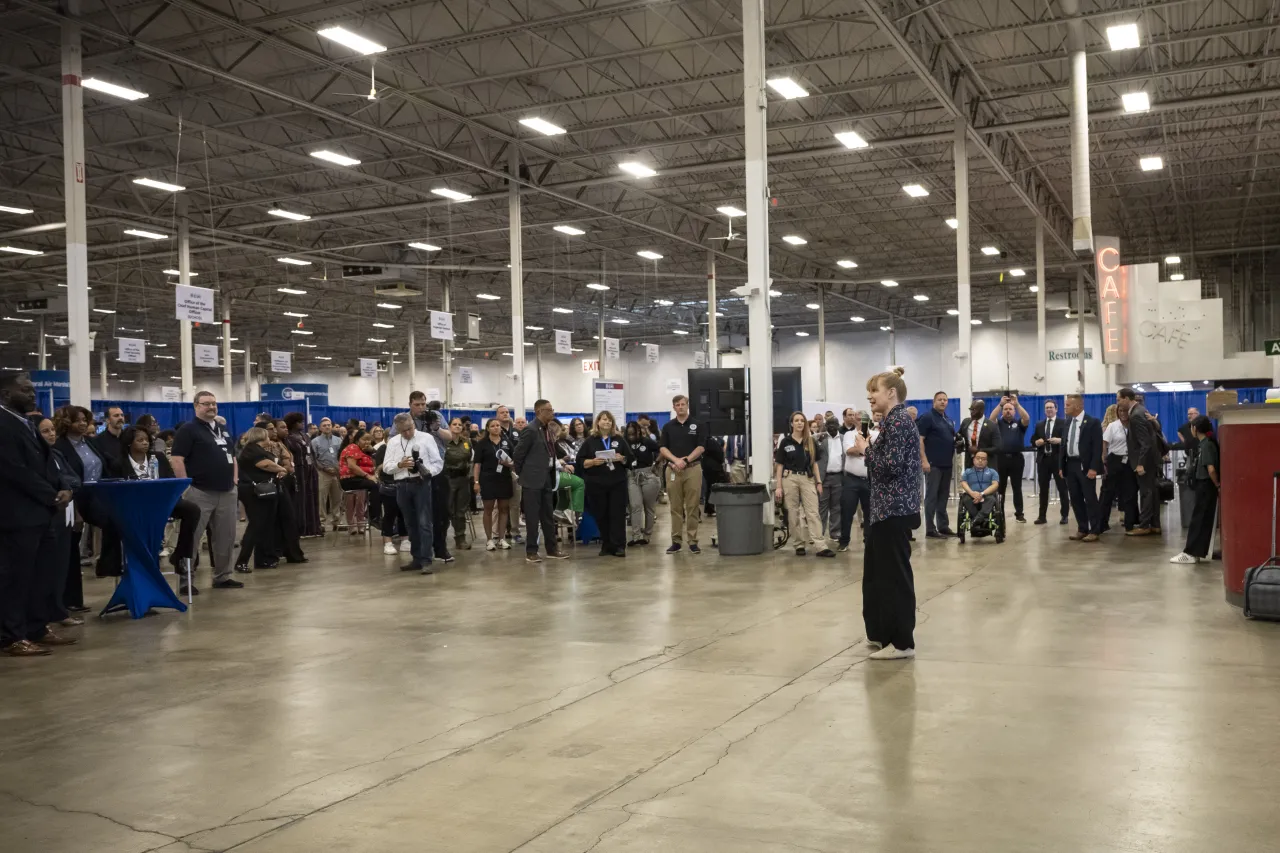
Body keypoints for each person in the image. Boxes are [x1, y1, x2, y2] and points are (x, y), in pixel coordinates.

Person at [0, 373, 76, 656]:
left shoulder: (28, 423)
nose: (32, 394)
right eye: (25, 390)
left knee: (40, 575)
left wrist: (64, 487)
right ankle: (12, 636)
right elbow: (14, 470)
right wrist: (51, 495)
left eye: (32, 390)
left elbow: (50, 463)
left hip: (41, 514)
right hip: (17, 516)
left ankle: (36, 627)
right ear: (7, 395)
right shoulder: (3, 424)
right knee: (16, 578)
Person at [856, 367, 919, 660]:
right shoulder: (892, 422)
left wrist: (866, 450)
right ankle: (882, 633)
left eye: (875, 391)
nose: (870, 397)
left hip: (893, 510)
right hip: (884, 511)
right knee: (878, 575)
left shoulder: (898, 423)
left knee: (894, 577)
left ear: (891, 393)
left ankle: (901, 641)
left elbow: (890, 466)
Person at [171, 391, 243, 592]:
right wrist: (185, 485)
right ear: (196, 406)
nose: (211, 407)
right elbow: (177, 459)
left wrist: (235, 480)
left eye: (214, 403)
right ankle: (186, 580)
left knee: (226, 537)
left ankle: (223, 576)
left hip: (227, 491)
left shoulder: (223, 429)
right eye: (206, 404)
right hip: (199, 491)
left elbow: (233, 457)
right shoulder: (188, 430)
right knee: (192, 538)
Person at [120, 426, 204, 576]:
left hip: (162, 501)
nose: (145, 443)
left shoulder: (158, 457)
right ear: (129, 443)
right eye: (140, 440)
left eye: (147, 440)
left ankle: (180, 554)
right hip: (138, 505)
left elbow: (171, 480)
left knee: (192, 509)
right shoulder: (121, 462)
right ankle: (145, 562)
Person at [53, 405, 122, 578]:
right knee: (71, 545)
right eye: (78, 421)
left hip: (97, 495)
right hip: (74, 498)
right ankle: (71, 597)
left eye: (85, 420)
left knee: (117, 522)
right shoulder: (60, 446)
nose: (83, 424)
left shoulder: (91, 442)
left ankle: (107, 566)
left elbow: (107, 463)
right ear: (66, 422)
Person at [383, 412, 444, 574]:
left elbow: (438, 463)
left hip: (421, 484)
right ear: (397, 429)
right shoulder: (393, 442)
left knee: (424, 523)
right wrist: (400, 465)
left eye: (410, 429)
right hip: (402, 485)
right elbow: (386, 466)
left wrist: (425, 471)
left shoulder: (426, 438)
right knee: (410, 523)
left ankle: (426, 560)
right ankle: (416, 558)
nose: (408, 433)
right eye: (403, 431)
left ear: (413, 424)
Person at [512, 399, 570, 564]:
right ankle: (531, 551)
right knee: (532, 517)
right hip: (532, 480)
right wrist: (522, 474)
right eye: (549, 410)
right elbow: (518, 454)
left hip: (546, 478)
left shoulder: (547, 430)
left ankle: (552, 549)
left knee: (547, 516)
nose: (552, 413)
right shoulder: (530, 430)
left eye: (552, 409)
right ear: (539, 412)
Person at [774, 411, 834, 557]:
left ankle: (820, 545)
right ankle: (799, 544)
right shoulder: (785, 442)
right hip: (790, 478)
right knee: (793, 513)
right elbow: (780, 465)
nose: (800, 423)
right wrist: (779, 486)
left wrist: (818, 481)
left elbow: (814, 464)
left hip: (807, 478)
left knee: (813, 512)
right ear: (791, 424)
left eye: (802, 420)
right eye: (797, 420)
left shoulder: (810, 441)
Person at [576, 410, 632, 557]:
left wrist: (622, 458)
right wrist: (593, 462)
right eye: (604, 419)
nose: (606, 422)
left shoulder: (619, 440)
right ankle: (606, 544)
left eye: (609, 420)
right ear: (598, 422)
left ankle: (619, 545)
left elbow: (631, 459)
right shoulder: (590, 441)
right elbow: (580, 461)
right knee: (601, 514)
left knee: (617, 514)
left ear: (613, 423)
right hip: (596, 484)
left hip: (617, 483)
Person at [233, 427, 288, 572]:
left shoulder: (255, 449)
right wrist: (282, 469)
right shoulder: (252, 450)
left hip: (263, 491)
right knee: (256, 525)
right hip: (254, 492)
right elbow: (265, 464)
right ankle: (242, 561)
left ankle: (263, 559)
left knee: (265, 525)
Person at [659, 394, 707, 554]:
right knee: (675, 507)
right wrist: (675, 461)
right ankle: (676, 541)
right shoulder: (668, 427)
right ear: (674, 407)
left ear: (687, 405)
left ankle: (693, 541)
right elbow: (663, 448)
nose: (680, 407)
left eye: (683, 404)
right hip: (672, 469)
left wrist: (685, 460)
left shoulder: (698, 425)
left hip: (692, 468)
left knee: (693, 506)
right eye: (677, 405)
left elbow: (701, 447)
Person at [411, 394, 454, 564]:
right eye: (417, 405)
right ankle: (421, 551)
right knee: (419, 513)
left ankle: (440, 548)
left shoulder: (436, 416)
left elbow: (449, 437)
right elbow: (394, 438)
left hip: (438, 469)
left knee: (442, 511)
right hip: (415, 471)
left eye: (423, 404)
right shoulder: (406, 419)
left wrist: (436, 429)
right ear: (410, 405)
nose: (422, 408)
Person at [1171, 415, 1220, 564]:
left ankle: (1191, 553)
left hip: (1206, 486)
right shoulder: (1205, 443)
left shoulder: (1206, 445)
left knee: (1199, 520)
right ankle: (1196, 552)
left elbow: (1211, 469)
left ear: (1195, 429)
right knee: (1201, 519)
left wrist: (1217, 484)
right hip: (1204, 486)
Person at [1060, 394, 1104, 542]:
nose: (1065, 407)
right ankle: (1082, 528)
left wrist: (1094, 468)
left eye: (1067, 405)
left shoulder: (1092, 422)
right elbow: (1063, 445)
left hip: (1085, 466)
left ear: (1078, 406)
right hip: (1070, 464)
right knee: (1076, 498)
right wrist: (1061, 466)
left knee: (1090, 498)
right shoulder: (1067, 423)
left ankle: (1095, 530)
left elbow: (1097, 447)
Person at [1122, 388, 1163, 536]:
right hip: (1151, 460)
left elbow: (1145, 442)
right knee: (1152, 492)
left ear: (1127, 399)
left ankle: (1145, 525)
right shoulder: (1142, 411)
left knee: (1146, 493)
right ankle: (1155, 524)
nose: (1118, 403)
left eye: (1119, 399)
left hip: (1145, 461)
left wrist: (1140, 463)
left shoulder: (1136, 415)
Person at [917, 391, 957, 538]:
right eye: (940, 399)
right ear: (934, 402)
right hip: (933, 464)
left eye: (945, 400)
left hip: (947, 463)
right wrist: (924, 460)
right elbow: (920, 440)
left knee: (943, 496)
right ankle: (930, 528)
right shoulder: (927, 417)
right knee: (932, 497)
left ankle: (943, 526)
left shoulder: (947, 419)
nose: (943, 402)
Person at [472, 418, 513, 550]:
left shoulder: (507, 442)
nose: (496, 428)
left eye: (498, 426)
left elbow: (514, 462)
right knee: (488, 509)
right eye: (493, 426)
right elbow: (477, 464)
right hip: (488, 479)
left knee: (504, 509)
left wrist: (508, 463)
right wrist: (476, 482)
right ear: (488, 428)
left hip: (504, 478)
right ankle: (489, 539)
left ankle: (501, 538)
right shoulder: (482, 444)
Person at [1098, 400, 1139, 534]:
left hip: (1129, 462)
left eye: (1125, 411)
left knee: (1130, 493)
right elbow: (1104, 443)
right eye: (1120, 411)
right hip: (1114, 460)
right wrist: (1104, 461)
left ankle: (1129, 524)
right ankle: (1102, 523)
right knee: (1107, 493)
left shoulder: (1134, 425)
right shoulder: (1112, 426)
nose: (1123, 413)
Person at [989, 395, 1031, 522]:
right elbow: (991, 419)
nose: (1008, 411)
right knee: (1000, 488)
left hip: (1016, 459)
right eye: (1005, 409)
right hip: (1000, 459)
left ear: (1014, 411)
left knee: (1017, 487)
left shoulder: (1019, 424)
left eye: (1010, 409)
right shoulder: (998, 424)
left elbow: (1026, 418)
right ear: (1002, 411)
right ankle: (999, 513)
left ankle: (1019, 514)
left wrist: (1017, 404)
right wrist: (1000, 404)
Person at [283, 412, 322, 537]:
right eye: (300, 422)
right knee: (300, 499)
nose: (302, 424)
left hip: (310, 470)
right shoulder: (288, 438)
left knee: (312, 498)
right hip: (298, 471)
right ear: (293, 423)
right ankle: (300, 528)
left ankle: (313, 527)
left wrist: (314, 468)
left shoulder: (305, 436)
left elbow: (312, 454)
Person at [838, 409, 873, 551]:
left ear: (868, 421)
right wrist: (865, 449)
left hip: (869, 479)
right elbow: (849, 451)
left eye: (863, 420)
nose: (860, 422)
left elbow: (876, 451)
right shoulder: (849, 434)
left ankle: (869, 540)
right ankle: (844, 541)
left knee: (870, 512)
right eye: (858, 419)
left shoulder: (875, 434)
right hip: (851, 480)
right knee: (847, 511)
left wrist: (860, 449)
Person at [1031, 400, 1069, 525]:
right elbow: (1033, 439)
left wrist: (1060, 440)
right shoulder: (1039, 424)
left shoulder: (1063, 423)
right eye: (1047, 408)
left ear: (1056, 409)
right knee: (1043, 489)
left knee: (1062, 488)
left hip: (1058, 460)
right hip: (1043, 460)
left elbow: (1069, 439)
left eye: (1051, 407)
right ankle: (1042, 516)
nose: (1049, 409)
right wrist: (1036, 442)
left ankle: (1064, 515)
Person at [372, 429, 409, 556]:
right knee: (389, 514)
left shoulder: (403, 448)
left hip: (402, 484)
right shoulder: (383, 449)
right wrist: (397, 464)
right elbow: (381, 468)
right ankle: (387, 541)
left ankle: (405, 539)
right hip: (388, 487)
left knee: (403, 514)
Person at [624, 420, 659, 546]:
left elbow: (662, 449)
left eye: (634, 433)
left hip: (648, 475)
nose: (631, 436)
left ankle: (647, 535)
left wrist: (657, 463)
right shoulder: (625, 443)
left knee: (649, 507)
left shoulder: (647, 442)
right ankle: (636, 535)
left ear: (639, 431)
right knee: (635, 505)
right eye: (629, 434)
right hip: (632, 476)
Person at [443, 418, 474, 551]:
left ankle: (460, 539)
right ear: (449, 427)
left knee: (461, 510)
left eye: (459, 425)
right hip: (448, 479)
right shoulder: (443, 442)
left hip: (463, 479)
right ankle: (441, 540)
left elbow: (470, 459)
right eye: (454, 424)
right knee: (446, 510)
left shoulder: (467, 442)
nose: (457, 427)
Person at [339, 429, 379, 535]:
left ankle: (370, 516)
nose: (367, 442)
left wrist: (372, 451)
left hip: (360, 479)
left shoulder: (363, 450)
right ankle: (373, 516)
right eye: (364, 439)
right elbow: (352, 466)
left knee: (378, 487)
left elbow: (374, 464)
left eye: (369, 440)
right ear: (357, 439)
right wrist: (368, 476)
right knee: (375, 486)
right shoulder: (353, 447)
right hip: (349, 479)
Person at [311, 418, 345, 532]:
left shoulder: (338, 440)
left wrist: (339, 469)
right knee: (322, 498)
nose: (327, 427)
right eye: (324, 425)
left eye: (329, 425)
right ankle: (321, 523)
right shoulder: (315, 441)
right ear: (320, 428)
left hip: (336, 473)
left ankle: (337, 521)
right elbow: (313, 459)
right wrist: (324, 468)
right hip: (322, 473)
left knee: (337, 498)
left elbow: (342, 456)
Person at [816, 418, 844, 539]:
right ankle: (819, 533)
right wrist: (818, 441)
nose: (832, 426)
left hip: (838, 477)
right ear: (825, 426)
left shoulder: (843, 438)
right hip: (823, 478)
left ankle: (835, 533)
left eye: (834, 424)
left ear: (838, 425)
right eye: (829, 424)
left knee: (836, 507)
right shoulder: (819, 438)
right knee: (822, 506)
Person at [959, 450, 1000, 526]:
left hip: (987, 495)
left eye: (983, 459)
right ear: (974, 460)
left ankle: (977, 519)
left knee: (991, 499)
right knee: (966, 499)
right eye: (978, 458)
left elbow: (995, 485)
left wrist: (982, 494)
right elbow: (963, 483)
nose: (980, 460)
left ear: (987, 462)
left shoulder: (992, 472)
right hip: (971, 495)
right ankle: (979, 519)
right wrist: (971, 493)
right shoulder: (968, 472)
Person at [959, 400, 997, 470]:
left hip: (987, 464)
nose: (971, 412)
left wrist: (979, 450)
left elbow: (997, 447)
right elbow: (959, 436)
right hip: (969, 463)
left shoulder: (992, 426)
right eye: (970, 409)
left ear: (982, 410)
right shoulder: (965, 422)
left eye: (974, 410)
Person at [95, 405, 128, 477]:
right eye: (116, 416)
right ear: (107, 420)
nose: (120, 418)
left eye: (122, 415)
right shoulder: (98, 440)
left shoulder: (129, 437)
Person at [701, 435, 727, 518]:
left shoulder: (712, 440)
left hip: (710, 467)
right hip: (712, 468)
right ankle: (711, 509)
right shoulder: (708, 441)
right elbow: (718, 454)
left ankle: (710, 508)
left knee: (710, 488)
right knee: (712, 488)